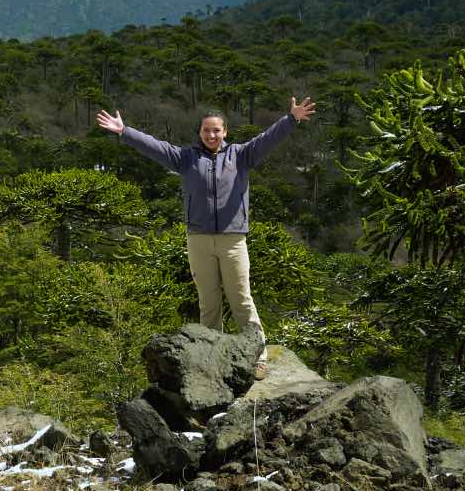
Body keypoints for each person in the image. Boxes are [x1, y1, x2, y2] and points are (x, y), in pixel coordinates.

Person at [95, 99, 315, 378]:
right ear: (199, 132)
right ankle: (213, 360)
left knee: (241, 300)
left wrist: (290, 119)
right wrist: (124, 131)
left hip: (232, 239)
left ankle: (258, 357)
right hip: (198, 239)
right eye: (206, 130)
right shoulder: (186, 158)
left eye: (216, 130)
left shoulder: (241, 155)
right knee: (208, 304)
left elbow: (267, 139)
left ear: (225, 132)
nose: (211, 135)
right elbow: (155, 146)